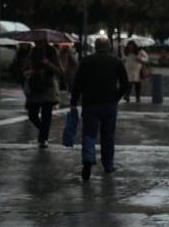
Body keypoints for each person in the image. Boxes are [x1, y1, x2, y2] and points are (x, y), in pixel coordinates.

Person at [71, 37, 129, 181]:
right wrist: (116, 97)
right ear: (109, 47)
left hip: (90, 103)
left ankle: (88, 159)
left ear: (95, 47)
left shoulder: (85, 61)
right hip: (109, 104)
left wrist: (74, 100)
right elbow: (125, 84)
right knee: (108, 135)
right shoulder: (116, 61)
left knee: (89, 134)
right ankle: (108, 165)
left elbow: (77, 83)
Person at [23, 42, 64, 148]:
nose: (37, 41)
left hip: (48, 87)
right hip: (35, 87)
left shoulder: (51, 51)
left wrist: (48, 63)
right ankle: (44, 132)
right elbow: (25, 69)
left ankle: (43, 139)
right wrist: (29, 71)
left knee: (46, 115)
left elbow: (59, 71)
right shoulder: (32, 51)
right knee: (32, 115)